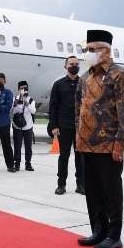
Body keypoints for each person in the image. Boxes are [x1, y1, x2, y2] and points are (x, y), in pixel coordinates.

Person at [75, 30, 124, 248]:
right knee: (92, 191)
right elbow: (78, 110)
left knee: (111, 191)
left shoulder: (120, 76)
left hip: (108, 144)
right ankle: (98, 230)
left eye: (93, 49)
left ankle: (113, 235)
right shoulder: (85, 78)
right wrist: (77, 138)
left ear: (106, 51)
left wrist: (119, 142)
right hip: (86, 144)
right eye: (87, 49)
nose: (89, 53)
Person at [49, 56, 85, 195]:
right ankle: (61, 185)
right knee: (64, 156)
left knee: (80, 157)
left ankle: (81, 185)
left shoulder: (84, 83)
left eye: (76, 64)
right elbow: (53, 106)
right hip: (63, 126)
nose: (74, 66)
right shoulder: (58, 84)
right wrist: (54, 125)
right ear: (65, 66)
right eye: (71, 64)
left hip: (80, 127)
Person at [11, 80, 36, 171]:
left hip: (28, 126)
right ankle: (16, 164)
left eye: (25, 88)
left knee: (28, 147)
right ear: (18, 89)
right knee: (17, 146)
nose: (24, 90)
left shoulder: (31, 100)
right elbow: (12, 112)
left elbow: (33, 111)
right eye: (22, 88)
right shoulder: (14, 99)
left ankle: (28, 164)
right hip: (17, 126)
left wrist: (27, 104)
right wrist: (15, 105)